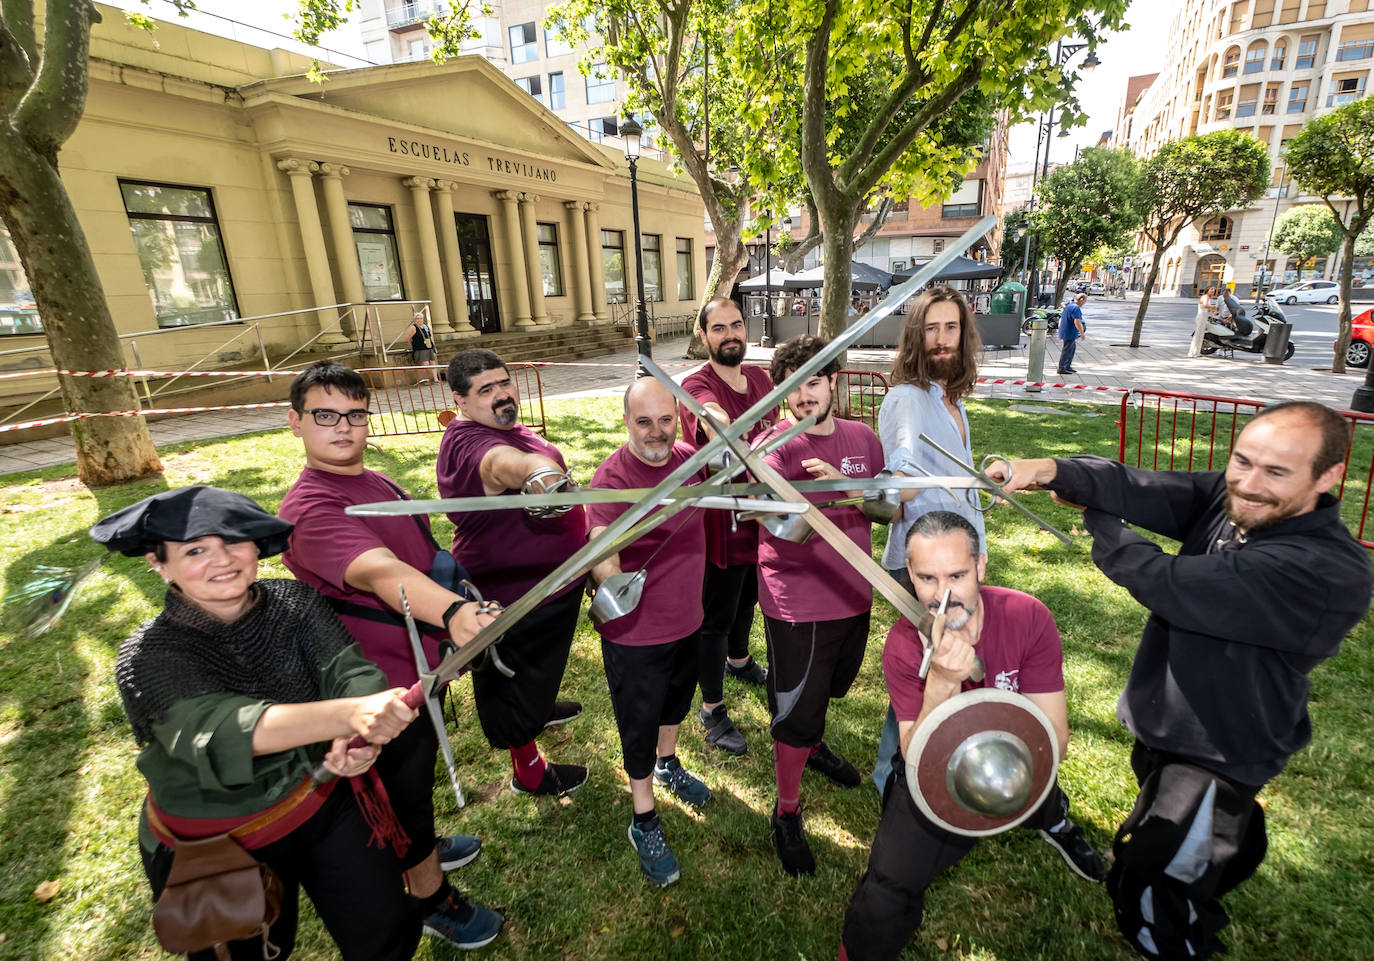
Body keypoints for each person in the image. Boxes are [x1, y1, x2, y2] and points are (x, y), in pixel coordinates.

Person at [992, 401, 1373, 960]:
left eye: (1276, 472)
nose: (1247, 484)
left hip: (1218, 752)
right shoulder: (1241, 498)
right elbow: (1149, 487)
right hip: (1174, 727)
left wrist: (1099, 520)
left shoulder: (1321, 569)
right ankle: (1226, 843)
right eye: (1242, 461)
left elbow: (1165, 578)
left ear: (1329, 476)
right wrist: (1052, 469)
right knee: (1186, 841)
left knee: (1150, 887)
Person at [94, 486, 434, 960]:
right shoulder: (149, 656)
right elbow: (221, 730)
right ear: (159, 563)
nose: (222, 560)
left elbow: (350, 671)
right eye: (195, 550)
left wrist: (356, 732)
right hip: (217, 839)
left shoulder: (295, 602)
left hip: (322, 798)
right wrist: (346, 714)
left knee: (386, 928)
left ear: (257, 546)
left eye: (235, 541)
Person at [278, 361, 501, 951]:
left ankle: (418, 848)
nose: (343, 428)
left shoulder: (375, 482)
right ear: (295, 422)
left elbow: (420, 553)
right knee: (400, 792)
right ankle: (430, 897)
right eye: (325, 416)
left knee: (415, 782)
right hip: (377, 689)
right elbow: (381, 572)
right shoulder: (310, 508)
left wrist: (458, 604)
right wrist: (454, 615)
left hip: (422, 665)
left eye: (355, 415)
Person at [839, 511, 1107, 961]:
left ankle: (1053, 818)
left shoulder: (1027, 616)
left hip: (1020, 756)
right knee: (888, 885)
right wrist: (942, 682)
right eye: (926, 577)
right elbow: (914, 757)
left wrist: (1012, 773)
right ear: (910, 575)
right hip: (940, 772)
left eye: (957, 575)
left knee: (1037, 791)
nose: (942, 594)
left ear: (981, 566)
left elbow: (1054, 739)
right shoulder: (905, 645)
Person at [753, 334, 884, 876]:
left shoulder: (863, 437)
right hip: (798, 600)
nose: (802, 396)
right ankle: (785, 810)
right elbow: (775, 526)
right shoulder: (770, 449)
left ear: (833, 381)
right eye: (791, 386)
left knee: (831, 686)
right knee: (796, 708)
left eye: (812, 381)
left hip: (855, 592)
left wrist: (843, 486)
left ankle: (815, 744)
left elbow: (885, 509)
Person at [437, 348, 588, 796]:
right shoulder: (469, 443)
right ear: (460, 401)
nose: (502, 394)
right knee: (511, 677)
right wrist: (542, 473)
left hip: (550, 584)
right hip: (515, 591)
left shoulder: (504, 427)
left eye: (504, 382)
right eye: (486, 390)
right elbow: (505, 465)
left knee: (537, 669)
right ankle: (528, 768)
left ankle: (538, 708)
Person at [587, 379, 713, 887]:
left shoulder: (691, 460)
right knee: (638, 723)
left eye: (666, 420)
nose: (657, 433)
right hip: (636, 633)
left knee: (675, 704)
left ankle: (668, 764)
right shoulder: (611, 478)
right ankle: (643, 818)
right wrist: (610, 578)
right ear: (626, 424)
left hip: (689, 620)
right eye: (644, 421)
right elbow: (600, 541)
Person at [870, 286, 987, 792]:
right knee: (924, 672)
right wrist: (900, 481)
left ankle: (924, 763)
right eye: (931, 329)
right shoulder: (908, 397)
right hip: (926, 565)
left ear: (964, 335)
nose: (941, 340)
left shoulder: (950, 398)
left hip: (960, 557)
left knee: (943, 664)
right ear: (916, 337)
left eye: (951, 328)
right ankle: (893, 778)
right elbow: (902, 463)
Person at [678, 298, 779, 757]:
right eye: (719, 328)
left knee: (750, 596)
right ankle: (712, 709)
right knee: (715, 614)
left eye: (736, 324)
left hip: (761, 510)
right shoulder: (696, 383)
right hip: (720, 517)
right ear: (704, 336)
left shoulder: (760, 378)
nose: (730, 334)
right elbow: (709, 413)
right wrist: (723, 424)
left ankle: (739, 660)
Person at [1057, 293, 1086, 375]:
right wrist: (1082, 333)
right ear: (1081, 300)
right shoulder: (1076, 308)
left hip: (1067, 331)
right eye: (1085, 301)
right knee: (1067, 350)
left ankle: (1067, 366)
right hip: (1069, 332)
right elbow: (1077, 321)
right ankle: (1062, 367)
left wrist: (1060, 330)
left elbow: (1061, 318)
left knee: (1071, 350)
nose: (1084, 303)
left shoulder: (1069, 306)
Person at [406, 311, 436, 385]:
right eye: (417, 319)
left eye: (421, 318)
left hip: (428, 346)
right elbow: (408, 338)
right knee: (425, 363)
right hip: (420, 347)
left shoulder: (425, 326)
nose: (419, 320)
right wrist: (413, 345)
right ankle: (427, 378)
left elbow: (429, 336)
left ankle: (435, 378)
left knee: (432, 362)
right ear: (415, 320)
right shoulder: (413, 327)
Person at [1189, 286, 1217, 357]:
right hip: (1201, 317)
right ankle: (1193, 352)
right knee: (1198, 335)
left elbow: (1207, 308)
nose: (1213, 291)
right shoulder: (1206, 297)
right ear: (1207, 290)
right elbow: (1205, 305)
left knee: (1201, 335)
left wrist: (1212, 311)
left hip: (1204, 317)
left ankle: (1197, 352)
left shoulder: (1208, 297)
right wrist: (1212, 307)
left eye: (1214, 290)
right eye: (1211, 289)